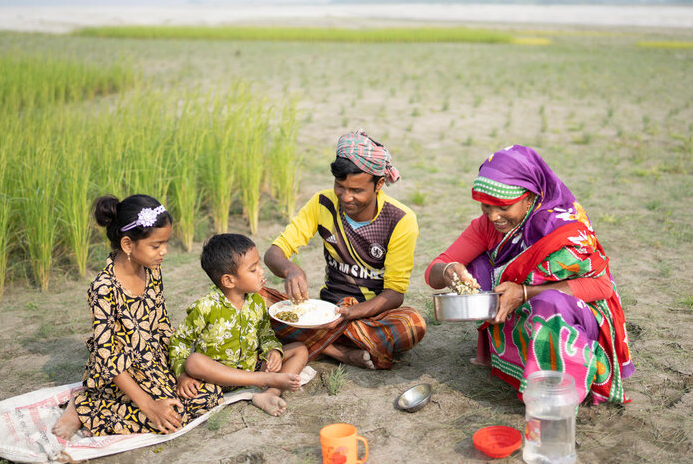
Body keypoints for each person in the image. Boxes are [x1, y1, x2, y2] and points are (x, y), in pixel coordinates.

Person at [426, 145, 634, 405]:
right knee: (478, 265)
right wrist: (449, 271)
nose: (493, 216)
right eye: (485, 207)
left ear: (529, 197)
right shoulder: (488, 226)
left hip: (576, 319)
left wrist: (525, 293)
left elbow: (600, 288)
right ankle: (517, 361)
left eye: (503, 207)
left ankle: (558, 394)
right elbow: (434, 273)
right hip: (527, 313)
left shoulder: (562, 228)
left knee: (549, 305)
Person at [52, 195, 223, 439]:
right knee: (169, 418)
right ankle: (84, 405)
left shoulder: (153, 271)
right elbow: (107, 355)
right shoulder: (103, 289)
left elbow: (163, 326)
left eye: (165, 243)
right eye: (156, 245)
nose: (164, 251)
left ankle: (107, 413)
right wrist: (149, 406)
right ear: (128, 245)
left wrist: (180, 371)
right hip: (120, 373)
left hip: (154, 362)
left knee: (208, 395)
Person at [261, 130, 426, 370]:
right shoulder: (322, 203)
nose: (346, 197)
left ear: (379, 184)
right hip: (326, 310)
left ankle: (313, 342)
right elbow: (274, 252)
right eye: (340, 186)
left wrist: (351, 313)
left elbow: (394, 293)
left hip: (370, 316)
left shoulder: (400, 219)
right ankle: (341, 352)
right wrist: (290, 269)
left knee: (412, 324)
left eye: (357, 191)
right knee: (252, 298)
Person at [169, 234, 309, 417]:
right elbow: (180, 341)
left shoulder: (257, 302)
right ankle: (266, 380)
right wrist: (181, 374)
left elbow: (266, 334)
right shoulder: (205, 307)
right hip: (217, 376)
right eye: (253, 269)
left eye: (259, 265)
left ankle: (270, 393)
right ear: (228, 280)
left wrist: (273, 351)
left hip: (251, 366)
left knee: (300, 349)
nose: (261, 271)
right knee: (194, 361)